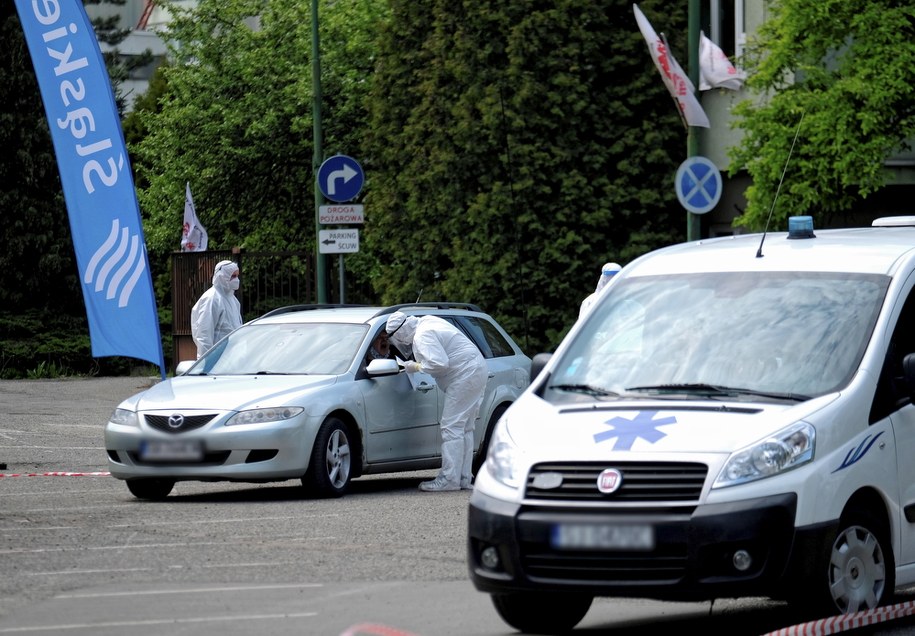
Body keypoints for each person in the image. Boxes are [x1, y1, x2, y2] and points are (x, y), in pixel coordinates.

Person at [385, 311, 488, 492]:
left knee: (451, 427)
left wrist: (414, 366)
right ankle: (463, 478)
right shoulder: (427, 321)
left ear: (400, 332)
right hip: (475, 370)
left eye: (394, 338)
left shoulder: (422, 336)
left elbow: (439, 364)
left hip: (465, 375)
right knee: (464, 427)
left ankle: (449, 479)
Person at [190, 260, 243, 358]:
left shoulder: (233, 300)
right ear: (222, 277)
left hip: (231, 360)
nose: (236, 280)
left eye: (237, 276)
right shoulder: (211, 299)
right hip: (217, 361)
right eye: (233, 276)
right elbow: (204, 335)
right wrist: (205, 365)